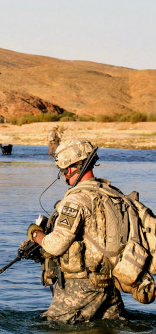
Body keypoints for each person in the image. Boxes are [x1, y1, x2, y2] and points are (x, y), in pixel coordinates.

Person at [26, 138, 125, 323]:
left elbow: (55, 245)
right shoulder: (113, 194)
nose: (63, 176)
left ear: (69, 169)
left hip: (80, 289)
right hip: (111, 285)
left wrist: (35, 234)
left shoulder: (76, 200)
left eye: (62, 172)